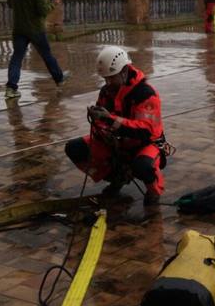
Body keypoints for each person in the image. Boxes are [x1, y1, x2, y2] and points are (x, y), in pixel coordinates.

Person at [64, 46, 166, 205]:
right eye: (105, 79)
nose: (108, 83)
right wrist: (101, 125)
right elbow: (101, 122)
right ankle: (118, 177)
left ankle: (153, 191)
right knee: (75, 148)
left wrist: (111, 120)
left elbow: (145, 131)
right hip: (117, 143)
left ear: (124, 71)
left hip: (146, 144)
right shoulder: (107, 91)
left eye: (111, 78)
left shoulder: (145, 93)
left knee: (143, 166)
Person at [5, 0, 68, 100]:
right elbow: (43, 11)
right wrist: (53, 3)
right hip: (36, 29)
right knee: (47, 55)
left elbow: (10, 4)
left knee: (17, 58)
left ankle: (11, 88)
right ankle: (59, 79)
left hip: (19, 29)